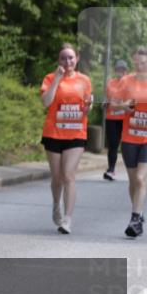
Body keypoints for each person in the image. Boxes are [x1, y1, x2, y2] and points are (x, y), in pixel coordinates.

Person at [39, 43, 93, 234]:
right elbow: (46, 102)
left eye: (71, 57)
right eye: (63, 58)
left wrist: (89, 107)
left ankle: (67, 220)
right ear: (59, 60)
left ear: (76, 59)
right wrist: (57, 79)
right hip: (53, 133)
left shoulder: (85, 80)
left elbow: (87, 105)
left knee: (69, 175)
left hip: (76, 133)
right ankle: (56, 204)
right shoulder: (50, 78)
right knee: (57, 177)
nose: (67, 61)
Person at [113, 47, 147, 238]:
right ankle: (139, 212)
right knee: (134, 180)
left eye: (143, 63)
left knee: (141, 179)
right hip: (129, 138)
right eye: (137, 63)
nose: (140, 66)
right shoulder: (127, 81)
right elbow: (113, 103)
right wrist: (124, 106)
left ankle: (134, 218)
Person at [104, 59, 130, 181]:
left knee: (127, 146)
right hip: (112, 118)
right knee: (113, 145)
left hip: (126, 119)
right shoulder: (110, 83)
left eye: (123, 70)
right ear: (115, 70)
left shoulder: (130, 83)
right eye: (118, 69)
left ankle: (132, 170)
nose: (120, 72)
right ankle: (111, 169)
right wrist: (106, 103)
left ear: (126, 71)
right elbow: (108, 99)